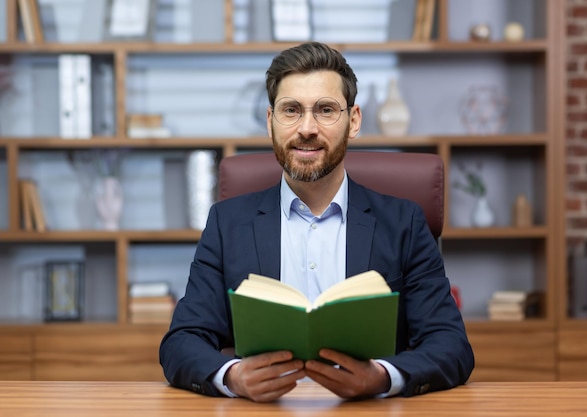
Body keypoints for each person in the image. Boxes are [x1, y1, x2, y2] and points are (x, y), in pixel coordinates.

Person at [160, 41, 474, 402]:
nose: (307, 128)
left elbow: (451, 345)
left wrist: (382, 378)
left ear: (353, 121)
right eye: (291, 110)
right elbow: (181, 342)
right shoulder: (226, 224)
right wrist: (233, 377)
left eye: (325, 110)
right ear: (270, 121)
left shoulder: (404, 223)